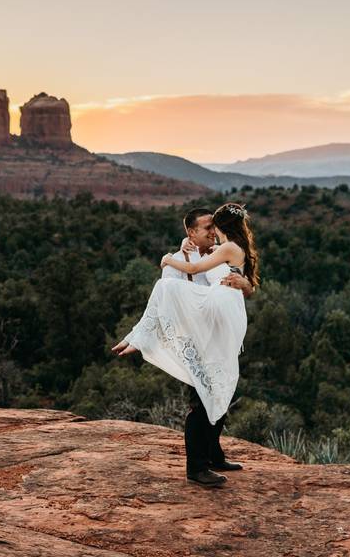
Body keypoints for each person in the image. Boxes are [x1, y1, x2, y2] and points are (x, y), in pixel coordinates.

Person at [112, 202, 260, 488]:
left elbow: (247, 286)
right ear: (192, 232)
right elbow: (168, 303)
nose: (212, 232)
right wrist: (139, 338)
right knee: (202, 403)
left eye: (213, 227)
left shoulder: (220, 252)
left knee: (221, 395)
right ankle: (197, 468)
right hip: (197, 340)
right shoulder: (184, 260)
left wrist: (243, 284)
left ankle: (215, 455)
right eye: (206, 228)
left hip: (221, 335)